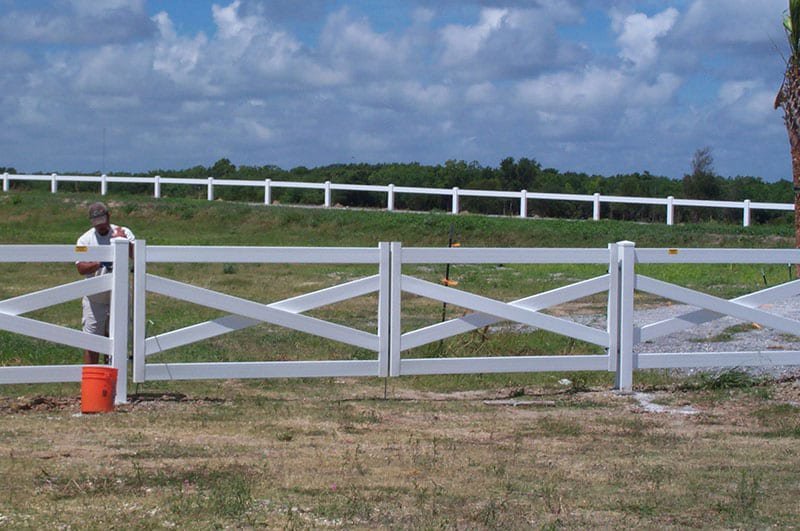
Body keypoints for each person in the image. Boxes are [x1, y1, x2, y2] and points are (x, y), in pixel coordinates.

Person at [76, 202, 135, 365]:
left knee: (116, 339)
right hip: (95, 298)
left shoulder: (123, 232)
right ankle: (91, 383)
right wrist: (100, 263)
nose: (100, 226)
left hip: (119, 296)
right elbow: (81, 267)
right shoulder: (84, 240)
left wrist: (124, 242)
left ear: (108, 217)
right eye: (96, 222)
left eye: (102, 220)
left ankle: (112, 381)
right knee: (91, 341)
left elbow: (137, 255)